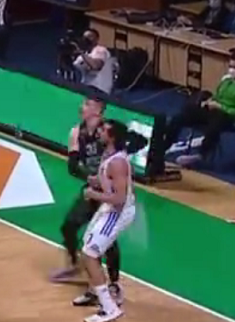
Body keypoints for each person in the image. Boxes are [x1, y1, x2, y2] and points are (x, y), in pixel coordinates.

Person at [49, 97, 123, 307]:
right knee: (69, 226)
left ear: (99, 110)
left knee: (108, 241)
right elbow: (72, 167)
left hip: (110, 191)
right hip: (92, 188)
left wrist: (106, 179)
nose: (82, 106)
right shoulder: (76, 132)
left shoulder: (108, 131)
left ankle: (114, 284)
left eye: (88, 104)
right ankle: (75, 265)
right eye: (83, 103)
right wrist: (89, 178)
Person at [77, 120, 136, 322]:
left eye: (103, 130)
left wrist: (93, 194)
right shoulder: (108, 155)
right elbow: (107, 179)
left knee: (90, 253)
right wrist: (96, 181)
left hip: (117, 212)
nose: (99, 132)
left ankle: (110, 308)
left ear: (111, 137)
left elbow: (119, 198)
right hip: (110, 209)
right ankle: (99, 292)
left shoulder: (118, 163)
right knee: (87, 248)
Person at [164, 52, 235, 166]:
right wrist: (208, 102)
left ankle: (201, 154)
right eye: (230, 66)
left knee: (218, 117)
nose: (232, 70)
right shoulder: (226, 80)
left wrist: (221, 107)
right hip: (214, 111)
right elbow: (217, 97)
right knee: (189, 110)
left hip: (229, 118)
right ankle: (164, 146)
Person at [73, 29, 115, 94]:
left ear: (96, 39)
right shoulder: (82, 56)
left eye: (90, 36)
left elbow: (96, 66)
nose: (86, 39)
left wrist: (81, 53)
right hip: (86, 87)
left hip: (99, 89)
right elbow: (74, 68)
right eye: (84, 37)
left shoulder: (101, 50)